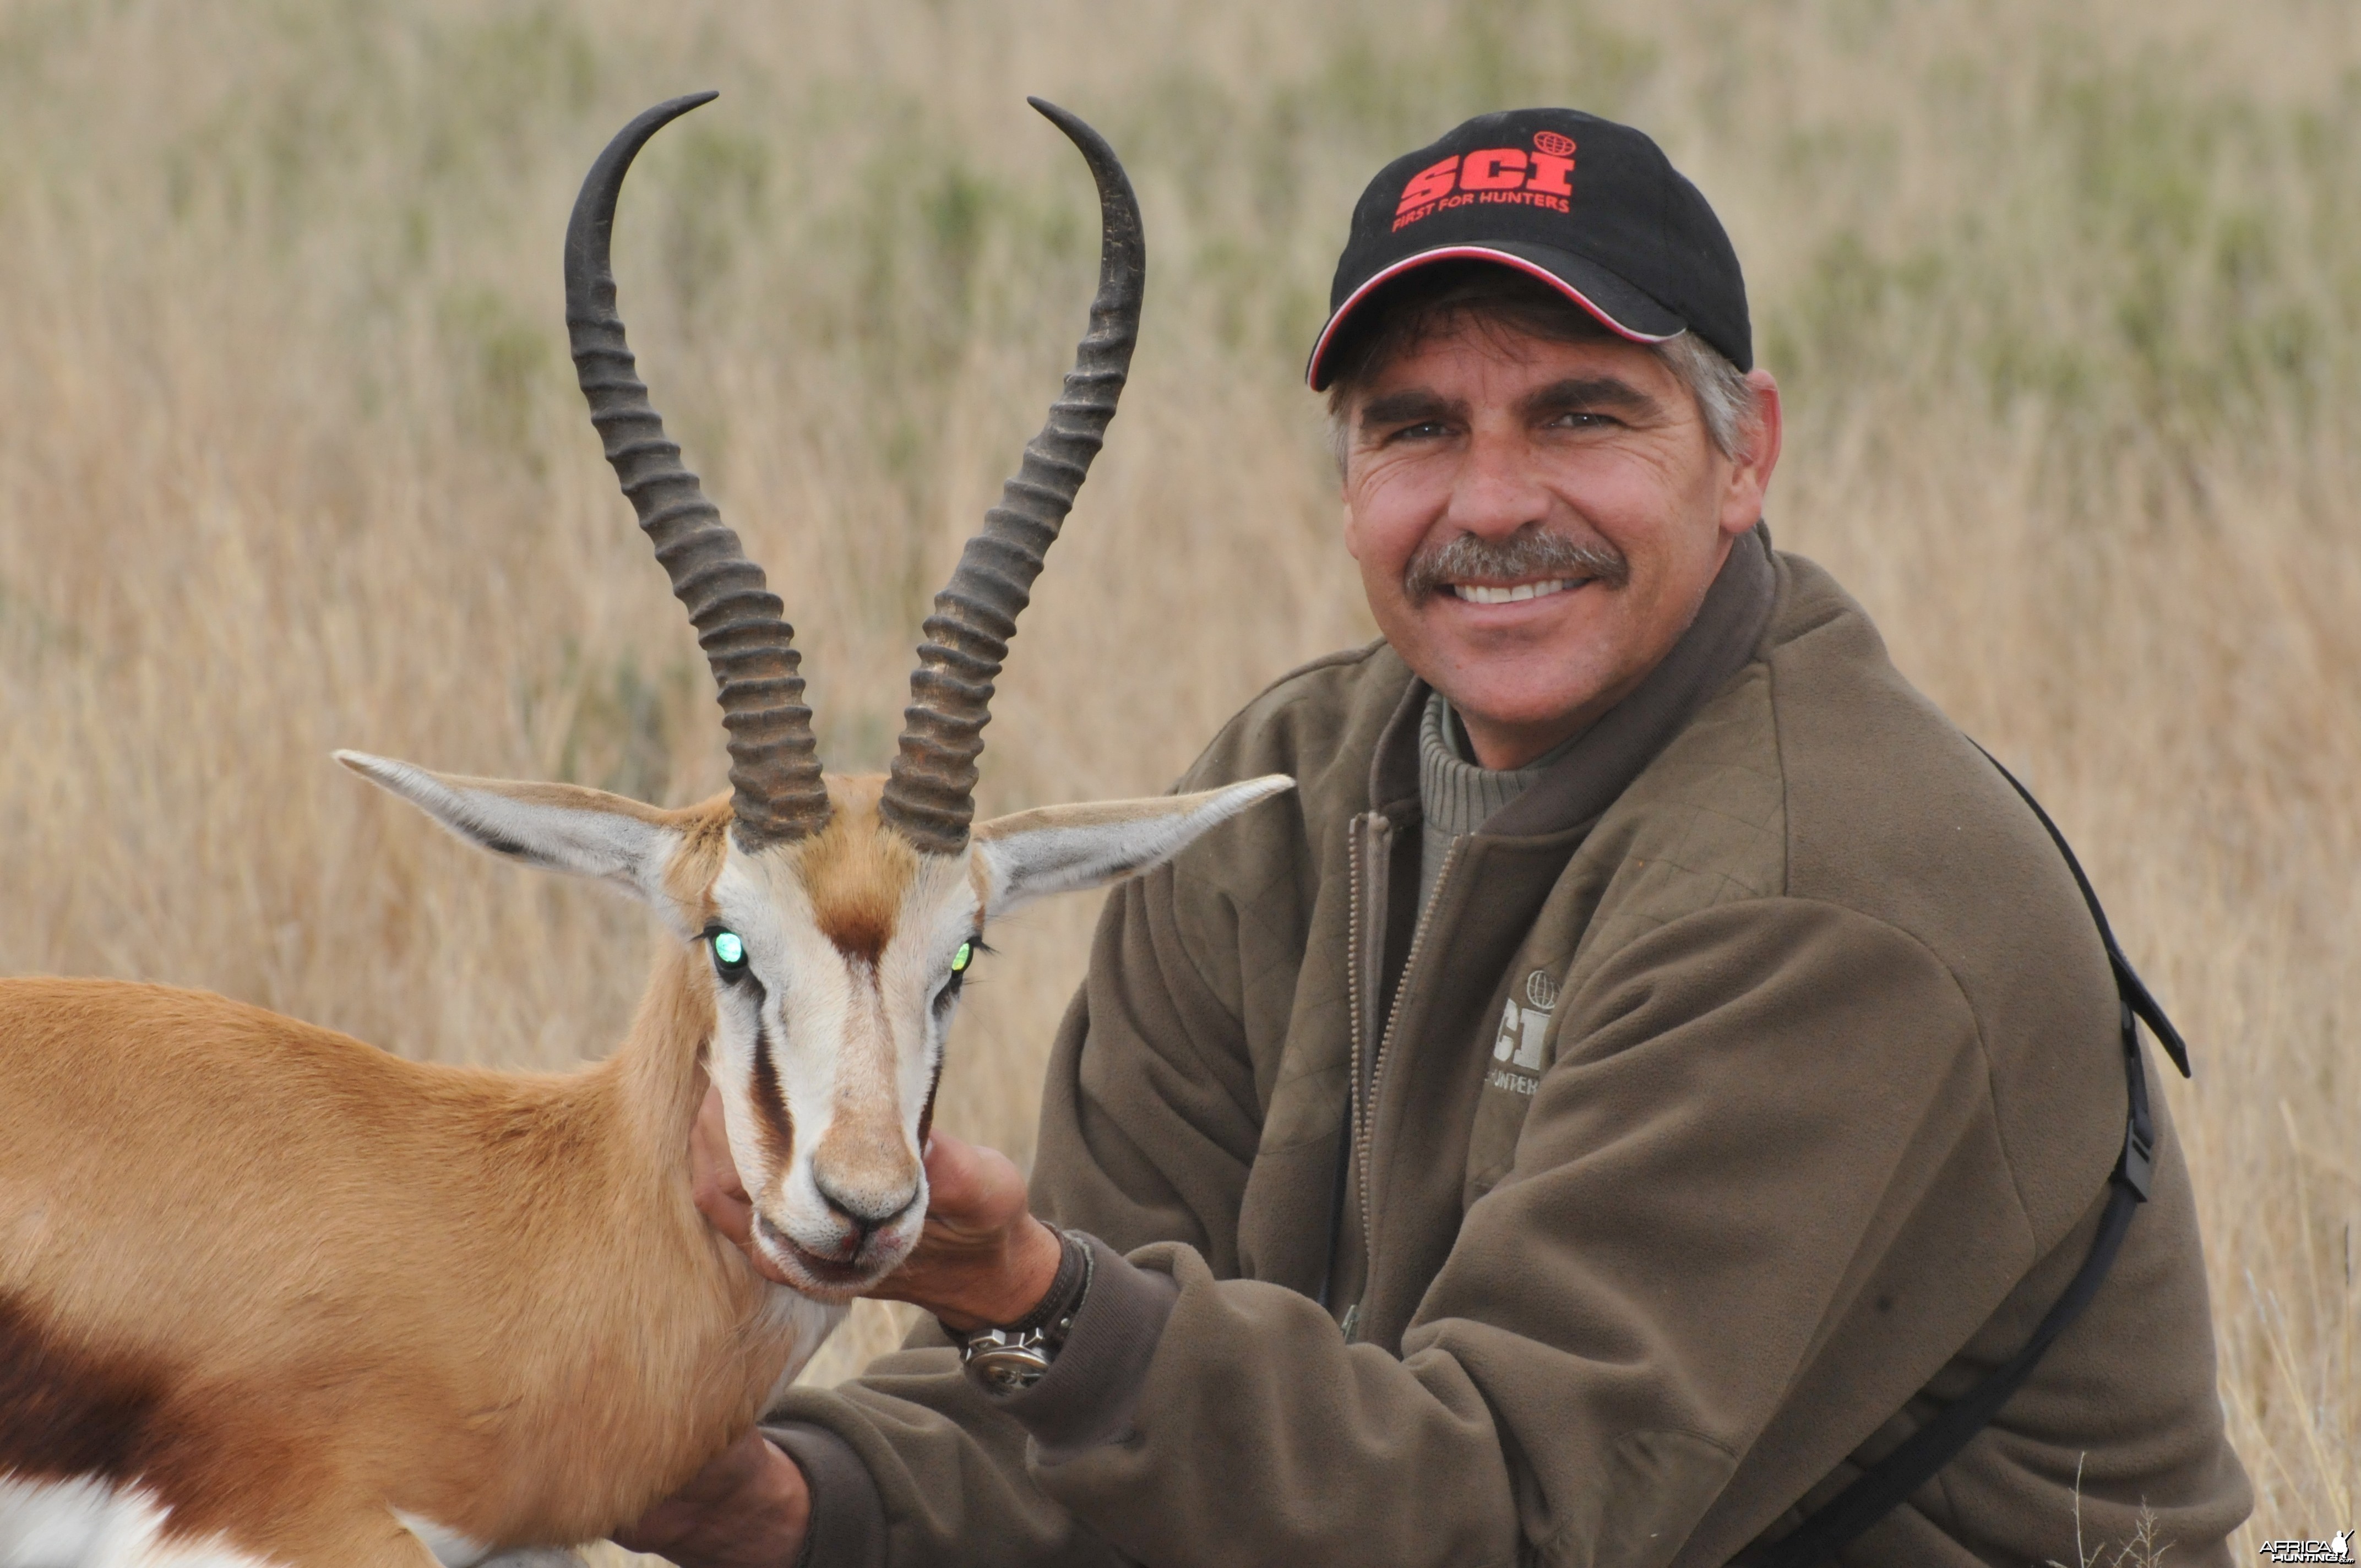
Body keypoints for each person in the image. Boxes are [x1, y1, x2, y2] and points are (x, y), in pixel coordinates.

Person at [618, 107, 2251, 1567]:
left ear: (1745, 451)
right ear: (1345, 483)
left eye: (1578, 416)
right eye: (1416, 429)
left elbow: (1510, 1516)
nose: (1488, 504)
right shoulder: (1282, 792)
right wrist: (806, 1498)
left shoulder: (1824, 882)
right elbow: (1101, 1426)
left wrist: (1030, 1295)